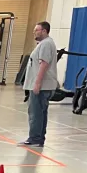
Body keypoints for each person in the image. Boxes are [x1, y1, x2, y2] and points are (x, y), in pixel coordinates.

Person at [19, 21, 59, 149]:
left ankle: (35, 138)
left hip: (42, 87)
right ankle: (39, 137)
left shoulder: (46, 44)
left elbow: (44, 64)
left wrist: (37, 83)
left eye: (37, 30)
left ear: (44, 31)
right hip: (42, 86)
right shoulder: (44, 44)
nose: (34, 32)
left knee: (36, 112)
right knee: (41, 113)